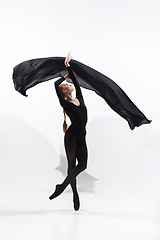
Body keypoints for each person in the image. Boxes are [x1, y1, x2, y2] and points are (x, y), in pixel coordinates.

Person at [49, 53, 88, 211]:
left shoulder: (79, 98)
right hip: (71, 137)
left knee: (83, 165)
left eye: (70, 84)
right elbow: (55, 85)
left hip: (82, 137)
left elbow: (77, 82)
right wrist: (63, 78)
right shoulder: (64, 102)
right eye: (68, 85)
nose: (71, 84)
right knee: (72, 166)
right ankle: (75, 194)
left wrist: (68, 67)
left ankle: (61, 187)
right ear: (64, 91)